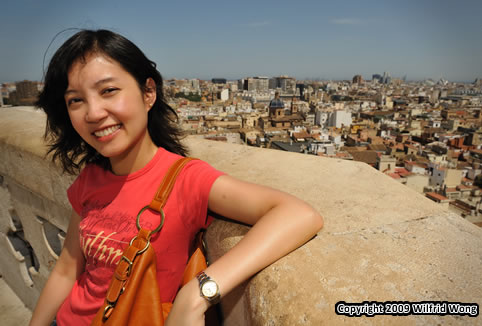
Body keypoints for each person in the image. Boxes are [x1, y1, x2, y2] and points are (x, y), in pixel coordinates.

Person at [29, 29, 323, 326]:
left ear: (148, 93)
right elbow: (67, 269)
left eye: (108, 91)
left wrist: (200, 292)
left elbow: (298, 214)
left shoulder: (184, 179)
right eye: (75, 100)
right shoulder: (90, 179)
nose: (93, 113)